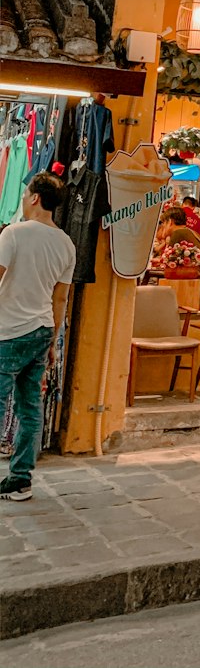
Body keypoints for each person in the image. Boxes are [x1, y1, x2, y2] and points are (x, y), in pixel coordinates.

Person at [0, 173, 76, 501]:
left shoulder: (13, 234)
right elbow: (60, 299)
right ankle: (20, 480)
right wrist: (53, 344)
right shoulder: (66, 244)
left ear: (34, 198)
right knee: (30, 408)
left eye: (25, 191)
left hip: (7, 333)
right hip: (42, 330)